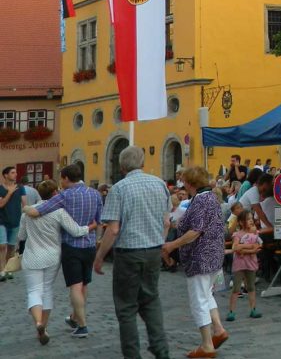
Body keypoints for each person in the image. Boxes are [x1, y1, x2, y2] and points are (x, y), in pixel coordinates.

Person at [93, 146, 172, 359]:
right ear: (143, 163)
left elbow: (114, 229)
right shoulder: (160, 185)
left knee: (126, 306)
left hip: (129, 252)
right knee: (151, 300)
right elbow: (166, 221)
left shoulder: (119, 188)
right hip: (153, 251)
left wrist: (99, 256)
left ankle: (132, 354)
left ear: (121, 167)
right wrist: (160, 242)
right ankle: (160, 349)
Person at [22, 163, 104, 338]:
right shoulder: (95, 193)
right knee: (84, 284)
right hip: (89, 245)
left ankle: (82, 325)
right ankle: (75, 317)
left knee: (75, 285)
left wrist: (26, 209)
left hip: (71, 246)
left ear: (66, 178)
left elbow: (39, 211)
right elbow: (100, 220)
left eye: (62, 178)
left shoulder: (64, 196)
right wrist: (96, 235)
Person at [161, 166, 228, 358]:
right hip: (215, 255)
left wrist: (172, 245)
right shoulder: (212, 198)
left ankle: (207, 345)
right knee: (207, 295)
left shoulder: (199, 200)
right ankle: (219, 329)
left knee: (198, 300)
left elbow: (195, 231)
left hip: (200, 257)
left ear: (189, 183)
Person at [227, 210, 261, 321]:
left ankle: (253, 309)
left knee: (251, 286)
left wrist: (244, 248)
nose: (251, 221)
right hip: (239, 264)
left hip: (250, 263)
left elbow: (257, 247)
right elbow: (235, 247)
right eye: (248, 219)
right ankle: (231, 311)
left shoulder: (255, 234)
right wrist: (250, 248)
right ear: (241, 222)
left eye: (252, 218)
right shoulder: (237, 234)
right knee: (236, 288)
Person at [0, 165, 27, 279]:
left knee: (11, 248)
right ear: (5, 175)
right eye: (12, 172)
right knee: (2, 246)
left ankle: (8, 268)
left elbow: (25, 205)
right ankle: (2, 271)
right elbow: (1, 204)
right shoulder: (0, 188)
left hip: (15, 221)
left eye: (15, 173)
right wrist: (9, 193)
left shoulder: (20, 188)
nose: (15, 174)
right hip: (2, 221)